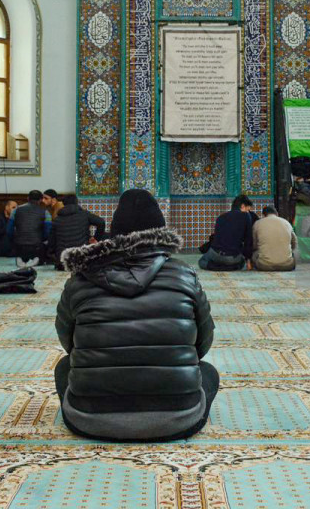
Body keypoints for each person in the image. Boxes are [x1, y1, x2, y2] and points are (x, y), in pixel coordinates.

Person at [54, 188, 217, 441]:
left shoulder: (81, 278)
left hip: (90, 419)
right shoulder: (184, 274)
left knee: (65, 367)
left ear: (115, 232)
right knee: (207, 371)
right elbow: (203, 344)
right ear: (161, 231)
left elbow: (68, 342)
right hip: (178, 417)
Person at [49, 195, 106, 268]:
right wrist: (96, 238)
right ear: (76, 202)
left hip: (63, 263)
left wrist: (53, 256)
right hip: (83, 260)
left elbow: (51, 242)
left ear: (64, 204)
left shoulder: (57, 220)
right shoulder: (84, 214)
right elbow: (101, 222)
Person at [199, 195, 254, 271]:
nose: (248, 212)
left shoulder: (220, 217)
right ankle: (230, 267)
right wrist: (248, 261)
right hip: (231, 258)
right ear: (243, 206)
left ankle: (214, 266)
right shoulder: (246, 216)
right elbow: (248, 240)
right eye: (248, 210)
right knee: (241, 262)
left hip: (215, 254)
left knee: (202, 261)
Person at [251, 206, 297, 272]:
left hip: (264, 266)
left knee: (254, 255)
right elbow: (294, 242)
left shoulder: (258, 223)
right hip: (287, 266)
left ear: (263, 215)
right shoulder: (286, 223)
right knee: (293, 254)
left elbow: (254, 244)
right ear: (277, 214)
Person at [12, 190, 49, 267]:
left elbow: (8, 230)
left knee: (21, 251)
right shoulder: (45, 212)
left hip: (19, 247)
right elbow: (48, 232)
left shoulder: (16, 210)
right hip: (36, 247)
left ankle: (20, 258)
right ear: (41, 200)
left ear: (27, 198)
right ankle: (36, 259)